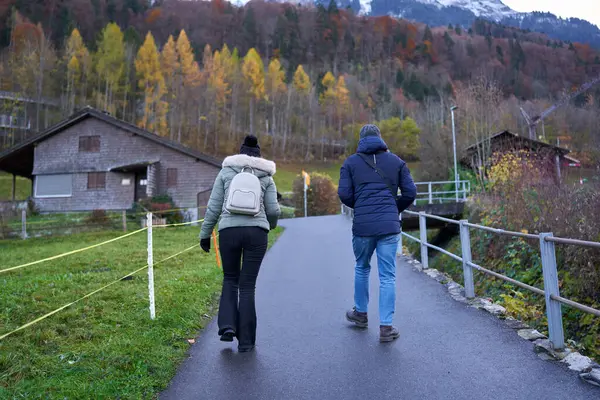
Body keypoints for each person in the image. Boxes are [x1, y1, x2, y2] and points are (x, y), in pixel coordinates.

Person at [200, 135, 280, 353]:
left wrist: (205, 234)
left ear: (240, 152)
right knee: (247, 286)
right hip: (256, 233)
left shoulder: (226, 171)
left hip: (228, 231)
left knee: (230, 279)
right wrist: (269, 225)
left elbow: (214, 206)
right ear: (258, 155)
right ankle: (246, 341)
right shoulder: (267, 176)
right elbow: (273, 210)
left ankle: (227, 326)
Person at [338, 124, 417, 342]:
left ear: (361, 140)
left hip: (363, 227)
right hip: (389, 227)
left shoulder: (351, 163)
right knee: (387, 276)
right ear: (380, 139)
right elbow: (410, 192)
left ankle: (361, 314)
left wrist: (362, 206)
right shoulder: (397, 162)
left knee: (362, 267)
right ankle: (386, 327)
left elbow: (344, 194)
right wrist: (394, 208)